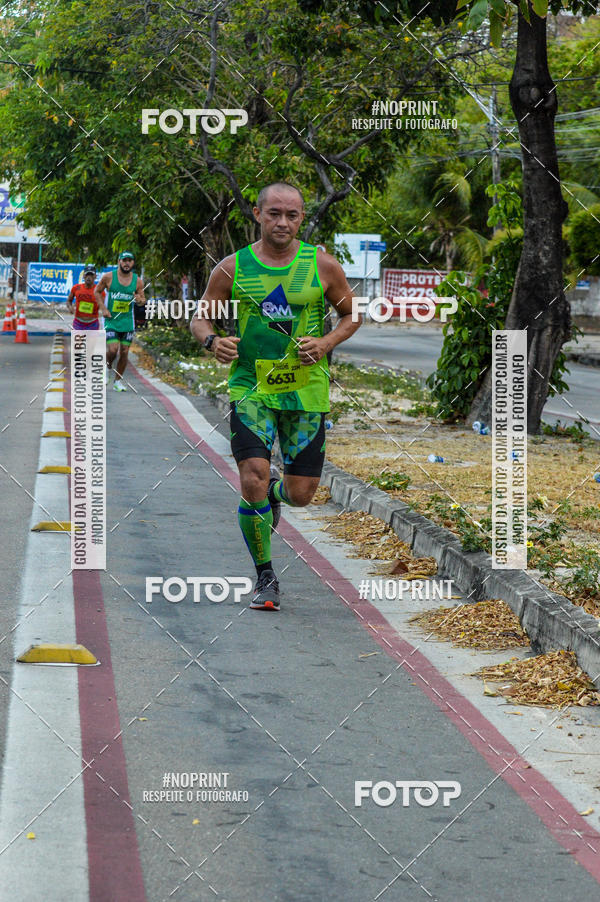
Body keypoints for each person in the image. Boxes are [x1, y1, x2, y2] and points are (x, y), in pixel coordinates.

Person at [191, 182, 361, 611]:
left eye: (292, 215)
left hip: (305, 390)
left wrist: (326, 342)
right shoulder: (232, 267)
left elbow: (351, 314)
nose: (282, 222)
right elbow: (201, 317)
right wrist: (212, 341)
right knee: (252, 475)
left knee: (302, 493)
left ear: (301, 218)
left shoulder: (322, 265)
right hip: (251, 386)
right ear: (258, 214)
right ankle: (265, 577)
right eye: (274, 214)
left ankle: (274, 493)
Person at [94, 252, 145, 391]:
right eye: (124, 260)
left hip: (128, 321)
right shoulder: (108, 277)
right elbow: (97, 291)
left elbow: (142, 300)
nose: (127, 263)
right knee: (113, 349)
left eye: (130, 260)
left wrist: (139, 300)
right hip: (111, 320)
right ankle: (107, 369)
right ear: (119, 261)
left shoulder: (137, 281)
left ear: (133, 263)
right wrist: (103, 308)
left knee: (124, 351)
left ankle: (117, 381)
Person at [66, 265, 108, 330]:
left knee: (91, 338)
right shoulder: (76, 288)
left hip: (93, 323)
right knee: (77, 337)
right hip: (78, 323)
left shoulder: (99, 291)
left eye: (91, 275)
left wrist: (104, 310)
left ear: (95, 276)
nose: (89, 277)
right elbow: (69, 301)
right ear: (83, 276)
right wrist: (70, 307)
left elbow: (105, 305)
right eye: (87, 275)